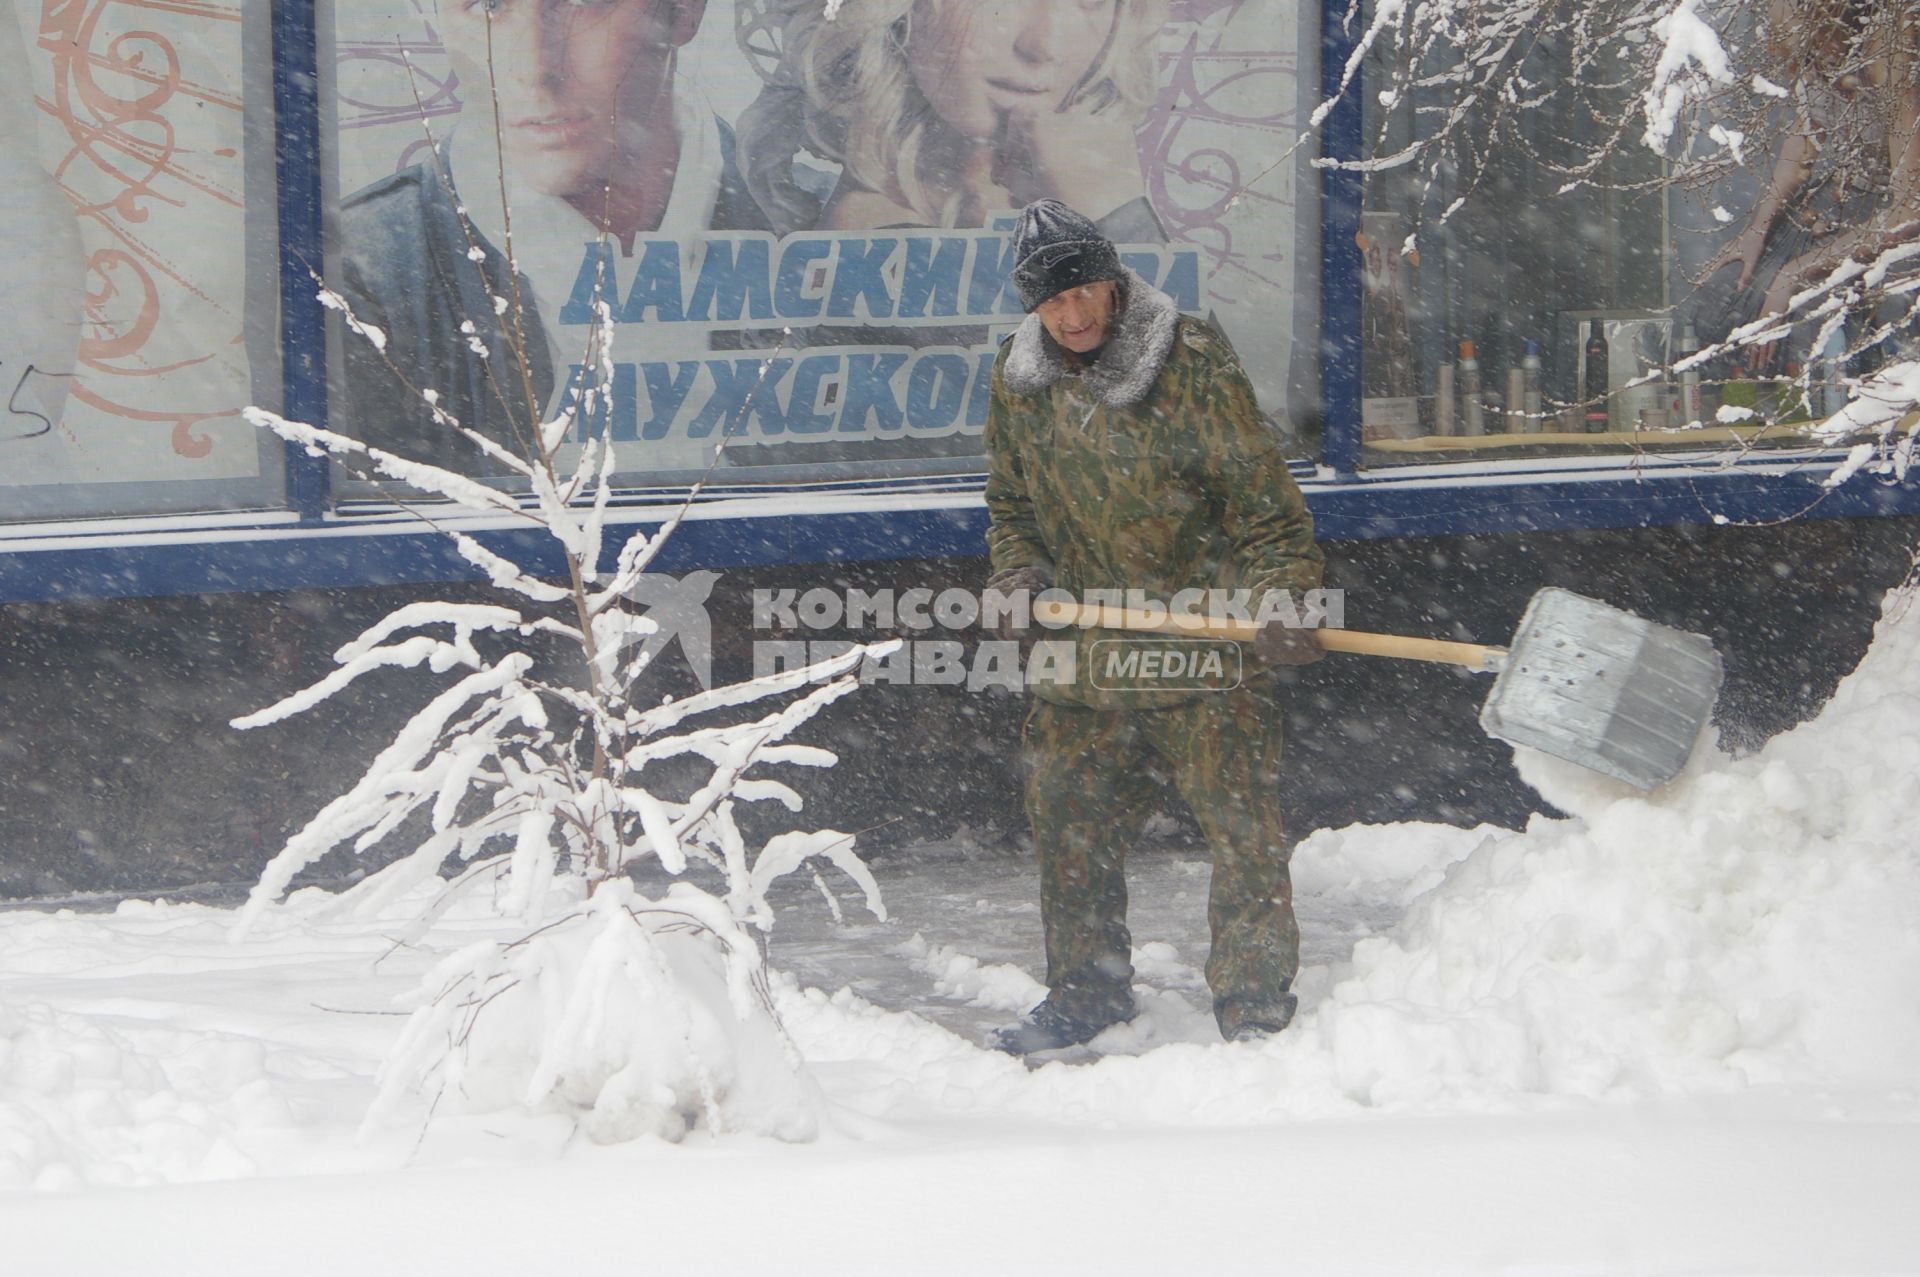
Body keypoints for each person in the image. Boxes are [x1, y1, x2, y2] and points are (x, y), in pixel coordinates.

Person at [981, 199, 1325, 1053]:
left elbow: (1263, 504)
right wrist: (1018, 572)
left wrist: (1284, 592)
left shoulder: (1189, 360)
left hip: (1202, 641)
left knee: (1241, 829)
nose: (1073, 314)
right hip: (1086, 653)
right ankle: (1085, 993)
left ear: (1112, 280)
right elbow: (1011, 502)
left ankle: (1251, 1004)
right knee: (1067, 822)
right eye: (1053, 303)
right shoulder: (1018, 379)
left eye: (1085, 292)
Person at [337, 0, 793, 475]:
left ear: (683, 12)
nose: (534, 68)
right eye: (488, 5)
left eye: (582, 4)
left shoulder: (820, 228)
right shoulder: (357, 272)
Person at [735, 0, 1168, 238]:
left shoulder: (1049, 185)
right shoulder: (870, 239)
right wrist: (1114, 219)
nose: (1046, 46)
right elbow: (1197, 394)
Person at [1702, 0, 1918, 360]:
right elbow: (1806, 132)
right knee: (1725, 299)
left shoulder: (1889, 47)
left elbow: (1909, 209)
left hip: (1893, 225)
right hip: (1846, 203)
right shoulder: (1815, 48)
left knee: (1809, 322)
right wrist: (1757, 230)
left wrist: (1794, 274)